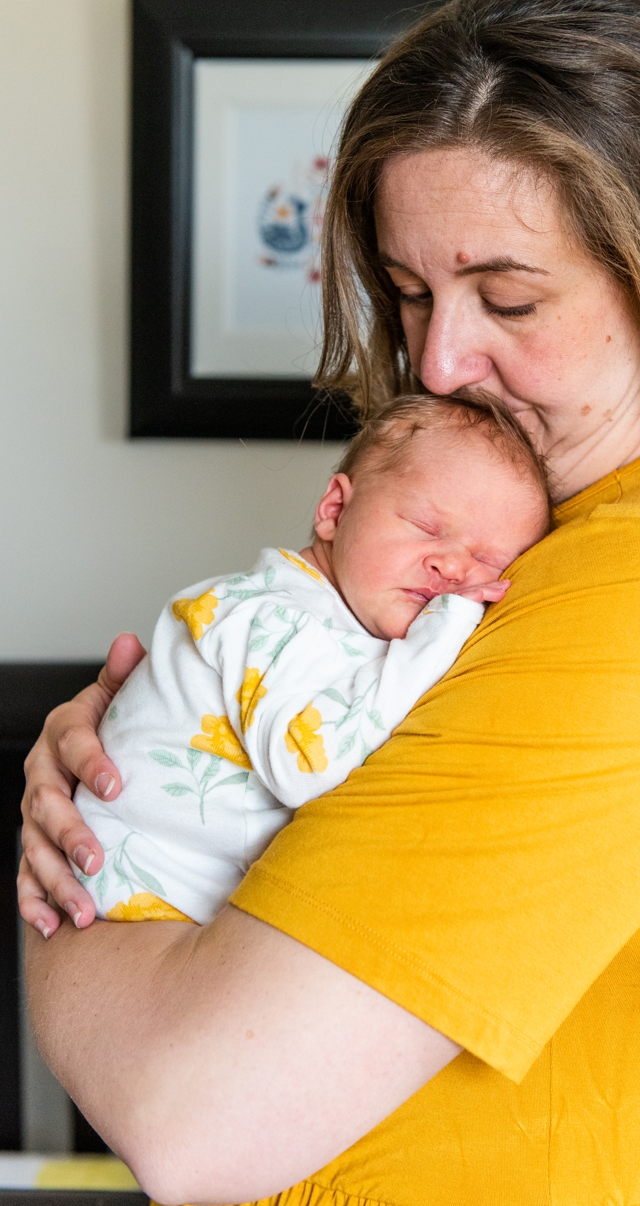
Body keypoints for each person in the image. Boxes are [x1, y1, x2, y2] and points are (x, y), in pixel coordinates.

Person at [17, 0, 640, 1206]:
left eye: (509, 298)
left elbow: (191, 1108)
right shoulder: (610, 532)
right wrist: (162, 767)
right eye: (411, 290)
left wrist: (76, 878)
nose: (434, 358)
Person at [73, 394, 551, 926]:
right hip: (136, 898)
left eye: (487, 561)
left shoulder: (337, 619)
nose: (452, 566)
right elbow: (307, 769)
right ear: (335, 510)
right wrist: (443, 632)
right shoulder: (277, 619)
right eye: (426, 526)